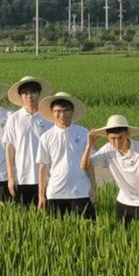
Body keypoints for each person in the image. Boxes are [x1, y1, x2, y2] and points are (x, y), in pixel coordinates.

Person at [36, 92, 96, 220]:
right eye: (57, 111)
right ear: (52, 113)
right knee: (57, 229)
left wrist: (93, 188)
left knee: (87, 227)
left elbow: (89, 163)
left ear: (72, 112)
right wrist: (41, 195)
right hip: (55, 193)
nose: (62, 115)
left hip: (80, 192)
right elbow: (43, 167)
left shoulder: (83, 133)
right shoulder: (46, 137)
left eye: (65, 110)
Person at [81, 114, 139, 226]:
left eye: (120, 138)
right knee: (122, 233)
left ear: (128, 134)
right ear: (107, 137)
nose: (117, 143)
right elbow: (85, 166)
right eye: (113, 139)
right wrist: (89, 146)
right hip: (124, 202)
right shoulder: (108, 149)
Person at [4, 76, 53, 207]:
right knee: (23, 214)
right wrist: (11, 177)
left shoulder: (48, 118)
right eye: (25, 93)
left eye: (33, 92)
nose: (29, 96)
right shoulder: (14, 119)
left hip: (46, 177)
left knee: (46, 212)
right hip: (22, 177)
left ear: (39, 94)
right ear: (20, 96)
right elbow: (10, 149)